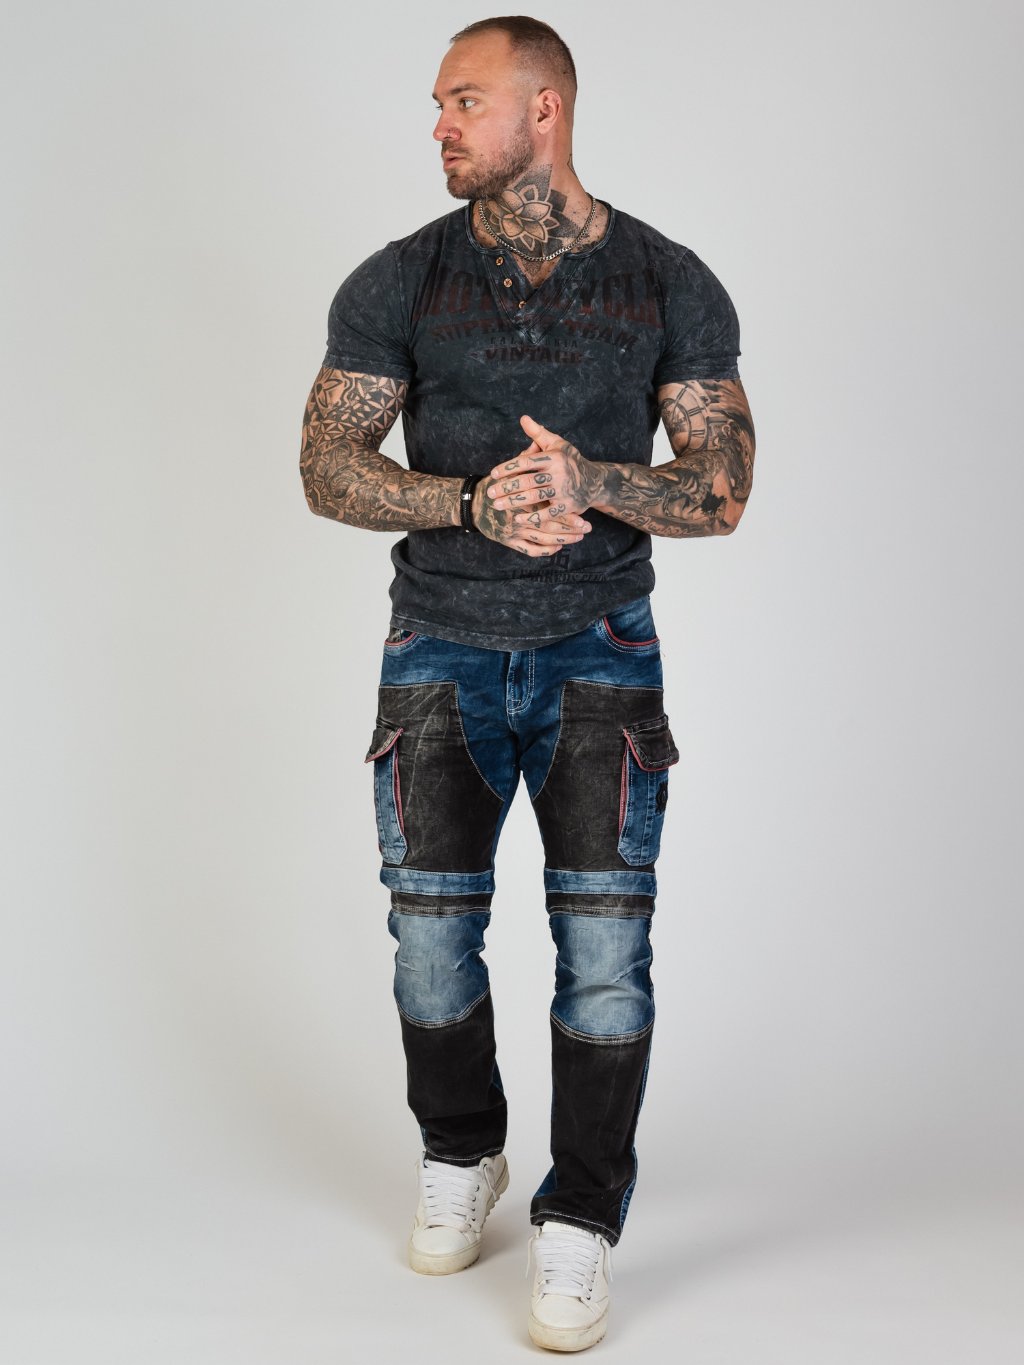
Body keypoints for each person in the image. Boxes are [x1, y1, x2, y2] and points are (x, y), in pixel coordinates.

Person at [299, 14, 755, 1353]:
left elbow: (723, 486)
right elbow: (326, 465)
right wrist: (466, 502)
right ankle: (463, 1149)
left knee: (604, 953)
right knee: (429, 938)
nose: (439, 124)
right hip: (436, 650)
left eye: (464, 100)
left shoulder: (668, 281)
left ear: (543, 110)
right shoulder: (399, 279)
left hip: (600, 654)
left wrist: (589, 480)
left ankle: (581, 1220)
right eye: (439, 104)